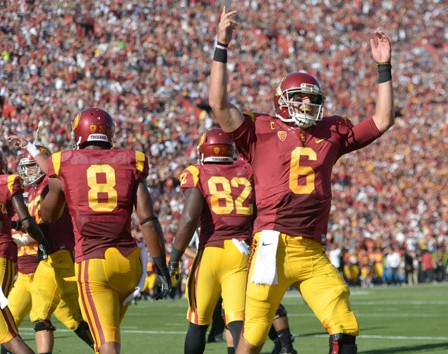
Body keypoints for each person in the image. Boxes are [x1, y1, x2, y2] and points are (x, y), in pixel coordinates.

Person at [208, 7, 394, 354]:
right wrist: (222, 45)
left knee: (344, 325)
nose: (307, 104)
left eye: (312, 98)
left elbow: (382, 119)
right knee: (253, 336)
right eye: (300, 98)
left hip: (311, 249)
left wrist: (383, 68)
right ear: (282, 101)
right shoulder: (260, 129)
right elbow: (217, 104)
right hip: (271, 246)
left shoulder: (331, 131)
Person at [39, 107, 172, 354]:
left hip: (94, 263)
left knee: (107, 345)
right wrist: (161, 266)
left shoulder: (62, 162)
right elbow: (148, 219)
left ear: (78, 133)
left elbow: (49, 215)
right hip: (129, 263)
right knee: (105, 341)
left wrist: (51, 195)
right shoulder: (131, 160)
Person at [169, 128, 255, 354]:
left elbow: (188, 218)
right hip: (241, 252)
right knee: (237, 321)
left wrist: (174, 258)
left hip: (211, 250)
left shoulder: (197, 172)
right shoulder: (246, 170)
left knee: (198, 323)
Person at [8, 139, 95, 353]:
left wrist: (31, 148)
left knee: (75, 316)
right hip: (48, 259)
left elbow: (54, 174)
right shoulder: (35, 191)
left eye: (31, 166)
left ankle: (105, 347)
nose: (27, 171)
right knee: (39, 317)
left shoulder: (51, 185)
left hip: (63, 254)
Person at [0, 151, 50, 354]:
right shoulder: (7, 182)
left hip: (3, 256)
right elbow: (25, 221)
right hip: (8, 256)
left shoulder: (8, 182)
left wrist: (42, 240)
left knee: (8, 335)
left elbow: (27, 221)